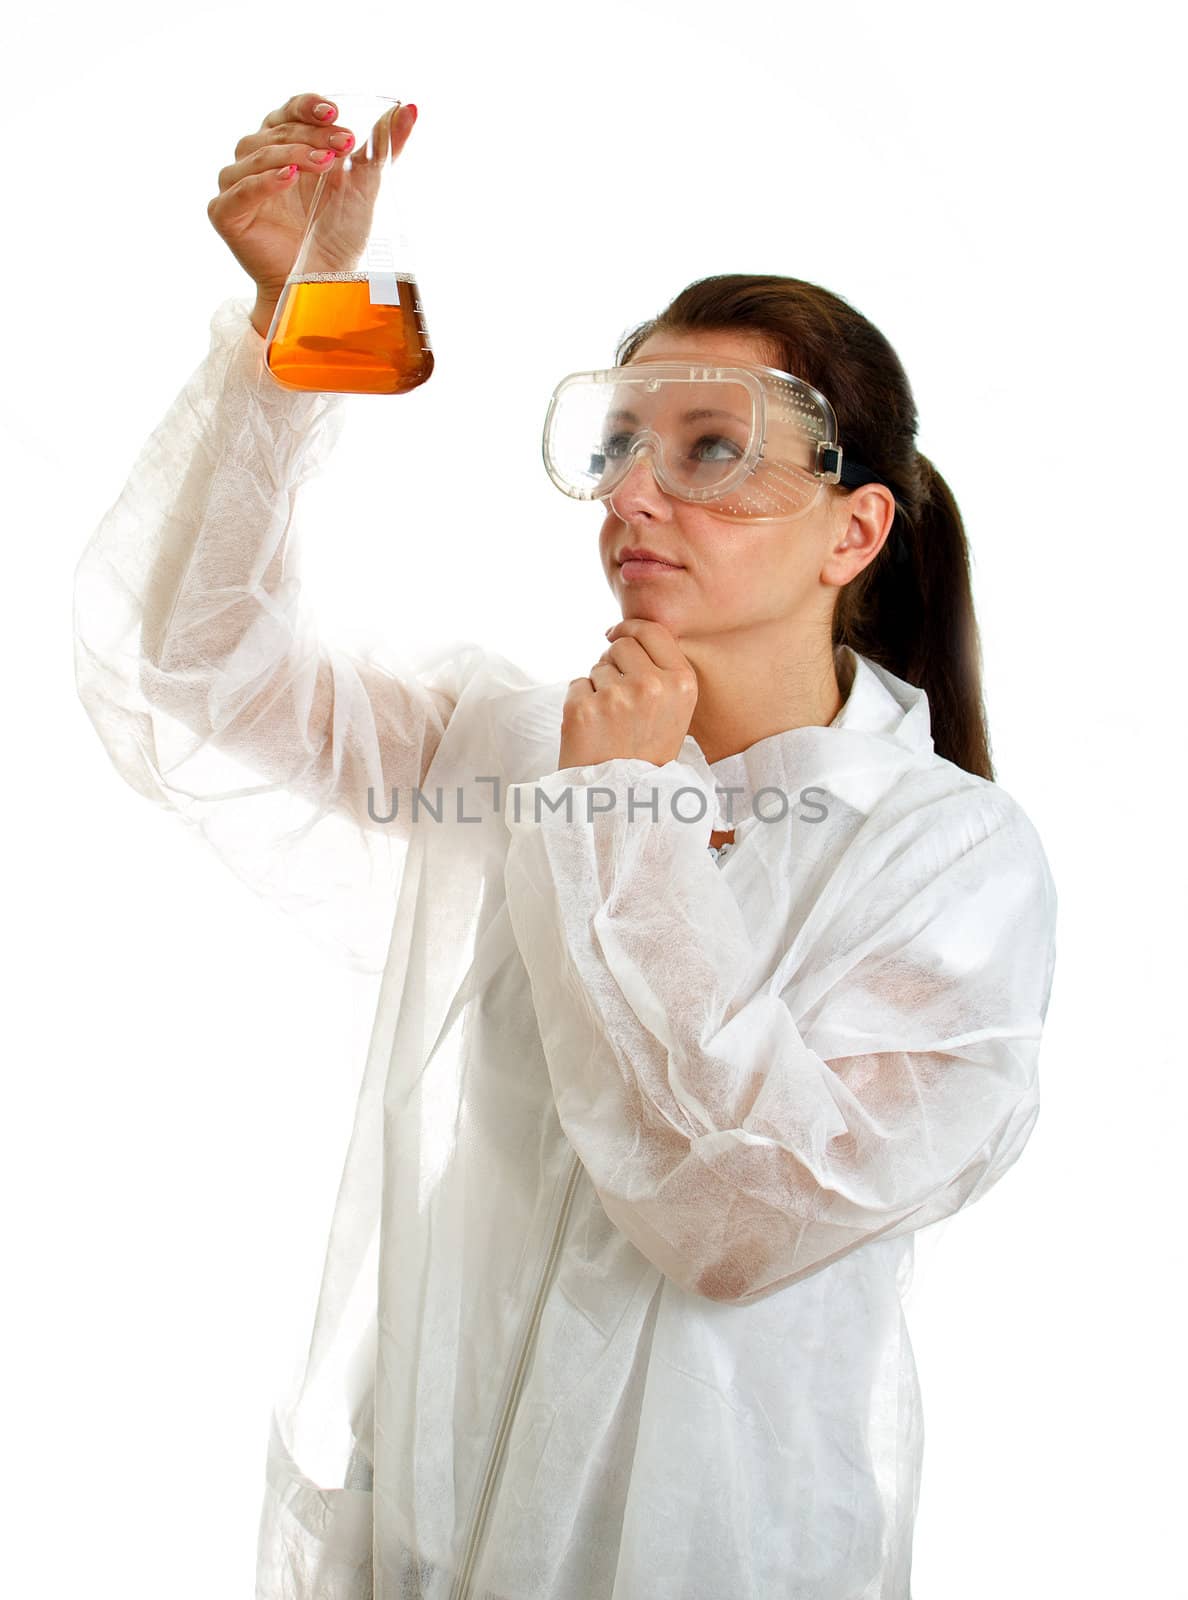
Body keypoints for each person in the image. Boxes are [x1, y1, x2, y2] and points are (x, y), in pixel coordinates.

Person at [72, 89, 1058, 1600]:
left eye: (712, 450)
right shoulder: (525, 749)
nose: (632, 499)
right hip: (439, 1530)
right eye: (615, 448)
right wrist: (300, 322)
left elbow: (737, 1221)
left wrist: (621, 808)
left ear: (853, 533)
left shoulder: (948, 857)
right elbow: (207, 669)